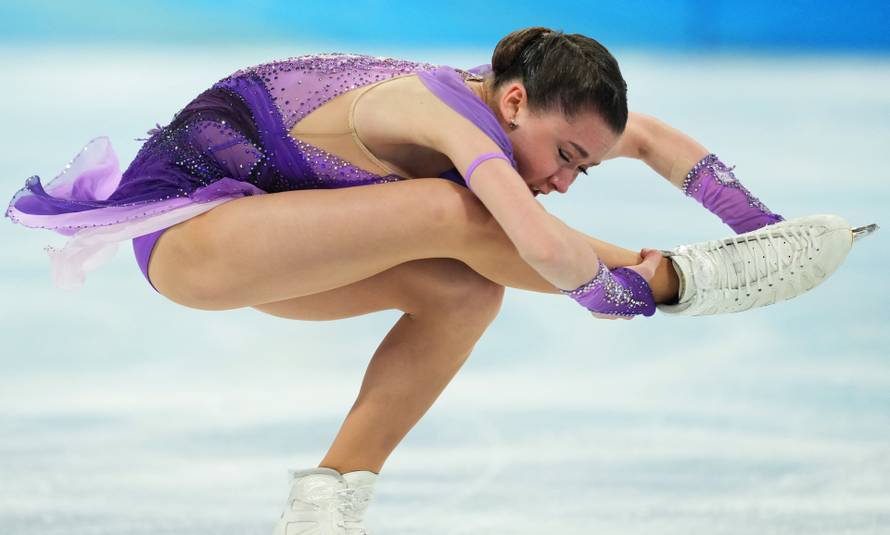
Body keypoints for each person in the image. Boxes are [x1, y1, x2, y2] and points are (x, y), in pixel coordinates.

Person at [5, 27, 852, 534]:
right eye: (564, 157)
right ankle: (688, 275)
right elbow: (537, 243)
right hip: (192, 242)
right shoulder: (437, 115)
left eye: (581, 169)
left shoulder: (520, 102)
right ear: (514, 103)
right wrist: (663, 287)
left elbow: (655, 135)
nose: (562, 178)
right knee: (454, 217)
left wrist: (763, 229)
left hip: (283, 245)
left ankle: (329, 493)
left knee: (462, 289)